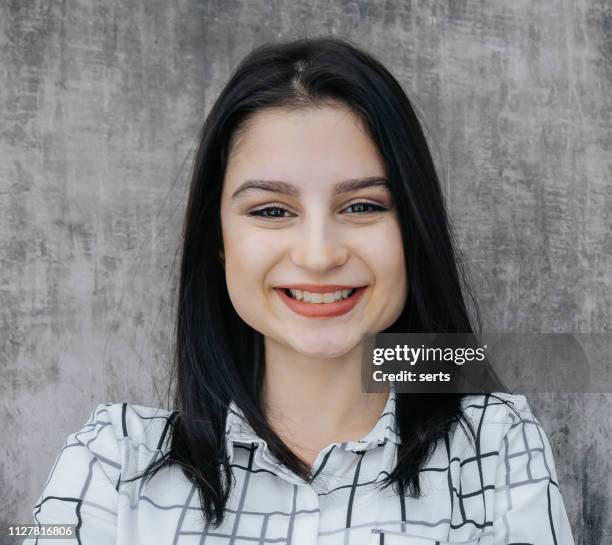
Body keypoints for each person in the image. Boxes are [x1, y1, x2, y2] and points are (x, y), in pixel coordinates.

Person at [24, 36, 575, 545]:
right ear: (218, 240)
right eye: (271, 210)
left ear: (413, 229)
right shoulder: (109, 462)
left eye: (362, 206)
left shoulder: (497, 446)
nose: (318, 254)